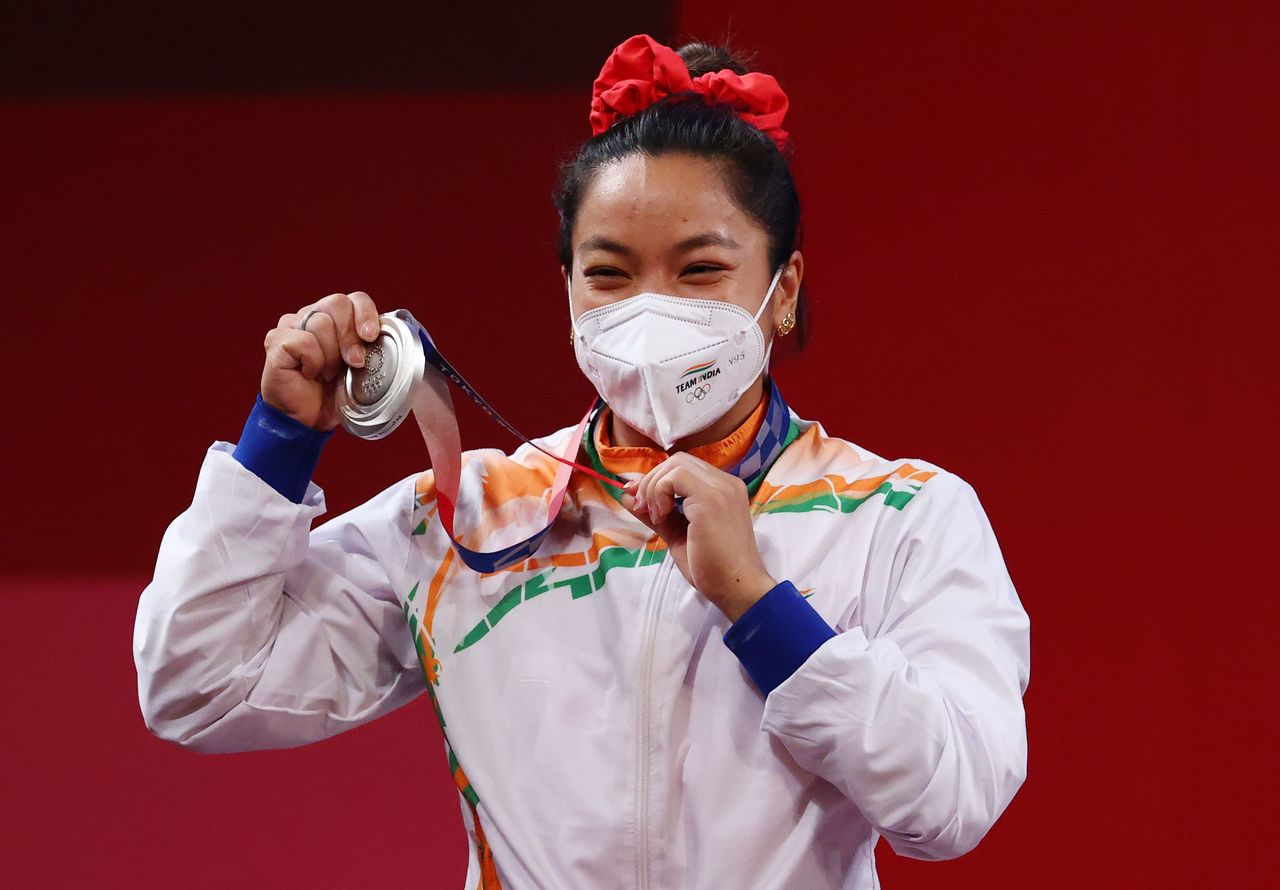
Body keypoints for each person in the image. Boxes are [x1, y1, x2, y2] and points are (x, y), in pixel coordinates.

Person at [134, 33, 1030, 889]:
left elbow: (953, 803)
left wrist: (758, 605)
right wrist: (280, 440)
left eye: (699, 270)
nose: (651, 308)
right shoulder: (466, 518)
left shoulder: (900, 515)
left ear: (783, 288)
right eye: (609, 274)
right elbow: (196, 686)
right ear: (567, 288)